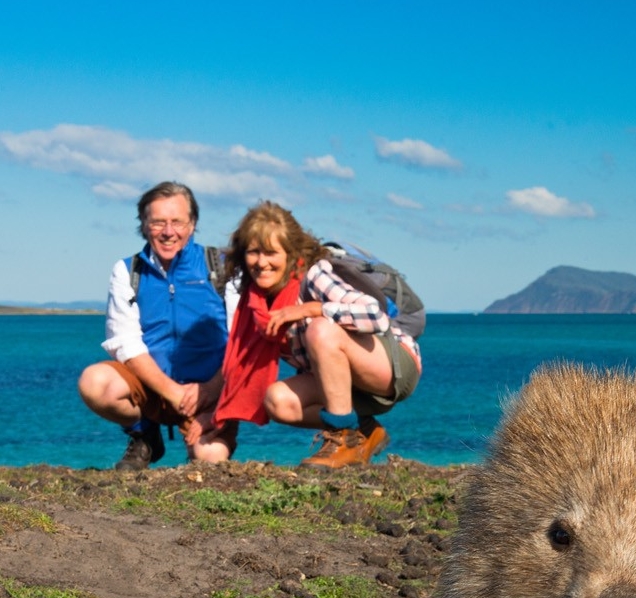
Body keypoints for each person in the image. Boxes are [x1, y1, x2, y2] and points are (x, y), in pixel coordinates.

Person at [213, 201, 421, 468]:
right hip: (344, 383)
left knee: (321, 330)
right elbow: (239, 365)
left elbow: (375, 315)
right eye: (254, 252)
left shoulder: (313, 275)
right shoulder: (254, 302)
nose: (261, 262)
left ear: (290, 253)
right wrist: (213, 419)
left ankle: (341, 438)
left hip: (391, 364)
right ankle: (365, 432)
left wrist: (313, 309)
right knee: (277, 401)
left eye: (271, 252)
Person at [78, 182, 237, 470]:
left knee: (210, 460)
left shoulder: (223, 266)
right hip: (155, 391)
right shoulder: (128, 271)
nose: (168, 231)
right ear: (144, 224)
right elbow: (124, 342)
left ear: (192, 224)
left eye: (177, 221)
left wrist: (210, 390)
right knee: (95, 383)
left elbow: (243, 338)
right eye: (158, 222)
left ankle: (205, 428)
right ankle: (145, 434)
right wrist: (173, 393)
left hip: (212, 391)